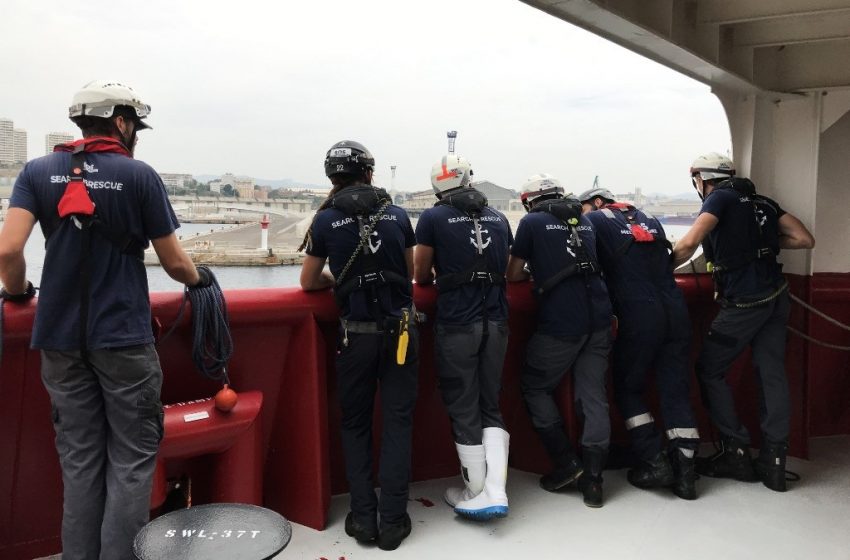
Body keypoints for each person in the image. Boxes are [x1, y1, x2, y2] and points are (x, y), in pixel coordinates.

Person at [0, 80, 209, 560]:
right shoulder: (139, 176)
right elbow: (176, 264)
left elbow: (9, 250)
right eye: (134, 125)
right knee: (132, 463)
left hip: (58, 339)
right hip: (124, 341)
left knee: (80, 464)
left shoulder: (37, 171)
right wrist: (201, 280)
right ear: (121, 122)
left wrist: (16, 292)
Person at [299, 140, 418, 550]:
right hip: (401, 332)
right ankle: (394, 520)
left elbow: (308, 282)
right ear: (369, 172)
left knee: (355, 424)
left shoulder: (325, 220)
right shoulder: (398, 215)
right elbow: (409, 273)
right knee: (398, 422)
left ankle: (364, 519)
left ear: (332, 176)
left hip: (357, 336)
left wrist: (340, 282)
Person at [672, 153, 815, 492]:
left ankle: (735, 450)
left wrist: (660, 270)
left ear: (702, 179)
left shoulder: (718, 198)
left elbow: (689, 242)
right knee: (772, 374)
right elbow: (804, 239)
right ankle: (774, 461)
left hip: (744, 304)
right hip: (777, 298)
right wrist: (761, 245)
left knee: (709, 369)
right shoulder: (763, 202)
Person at [579, 187, 700, 500]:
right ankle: (686, 473)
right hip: (676, 309)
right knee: (675, 386)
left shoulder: (594, 222)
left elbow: (585, 266)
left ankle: (653, 459)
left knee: (628, 387)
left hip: (638, 314)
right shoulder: (650, 219)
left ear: (594, 203)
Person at [413, 154, 513, 520]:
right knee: (491, 403)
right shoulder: (499, 218)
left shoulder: (433, 217)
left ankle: (476, 490)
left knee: (462, 403)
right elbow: (503, 267)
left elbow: (420, 273)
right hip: (498, 321)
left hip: (457, 324)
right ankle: (496, 490)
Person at [505, 174, 613, 508]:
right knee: (593, 394)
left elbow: (512, 273)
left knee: (535, 387)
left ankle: (566, 463)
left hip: (562, 323)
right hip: (600, 317)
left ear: (529, 200)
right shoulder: (585, 219)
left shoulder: (532, 222)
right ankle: (594, 480)